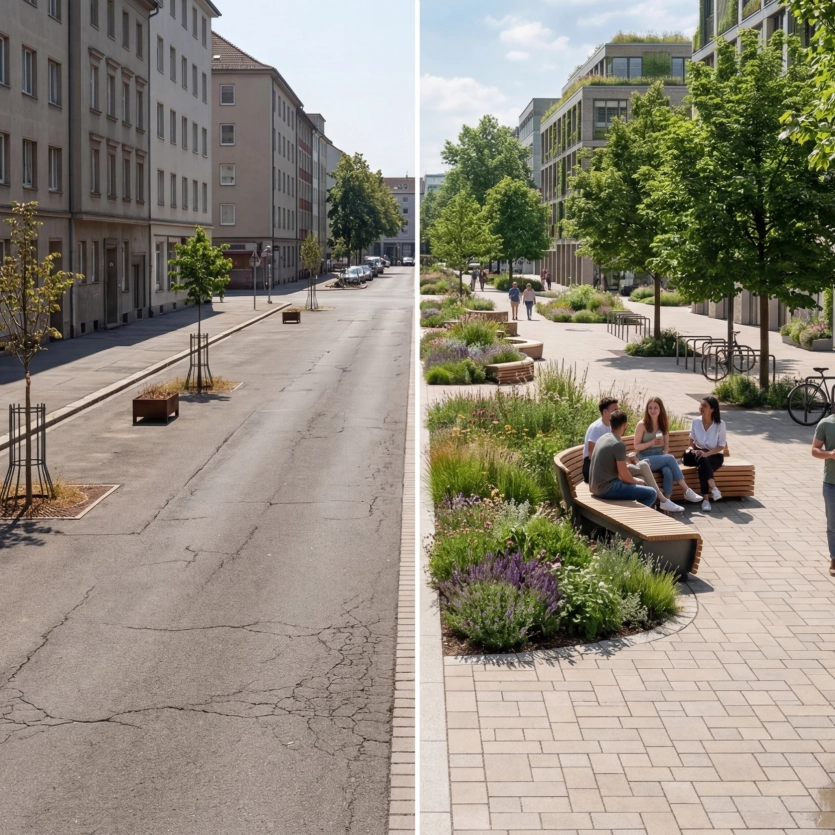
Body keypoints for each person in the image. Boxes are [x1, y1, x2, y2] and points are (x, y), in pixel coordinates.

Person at [634, 397, 702, 506]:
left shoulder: (663, 424)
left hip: (660, 458)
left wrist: (664, 455)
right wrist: (651, 442)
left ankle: (667, 503)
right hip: (645, 459)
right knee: (670, 458)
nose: (652, 410)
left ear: (660, 409)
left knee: (668, 470)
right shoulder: (642, 425)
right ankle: (686, 490)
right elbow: (636, 447)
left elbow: (666, 447)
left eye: (655, 408)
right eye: (650, 408)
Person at [589, 411, 658, 507]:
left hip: (594, 487)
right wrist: (636, 481)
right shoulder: (618, 444)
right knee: (651, 493)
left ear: (611, 423)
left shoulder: (603, 438)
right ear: (625, 425)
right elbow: (624, 476)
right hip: (606, 488)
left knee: (641, 480)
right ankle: (635, 518)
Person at [687, 396, 726, 511]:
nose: (701, 408)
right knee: (702, 459)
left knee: (702, 466)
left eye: (705, 406)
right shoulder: (695, 422)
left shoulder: (720, 424)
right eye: (701, 405)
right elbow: (690, 443)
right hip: (697, 453)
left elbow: (721, 446)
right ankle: (714, 489)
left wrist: (707, 454)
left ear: (712, 409)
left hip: (715, 455)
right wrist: (692, 450)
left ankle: (706, 500)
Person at [811, 412, 835, 576]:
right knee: (833, 525)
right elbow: (815, 450)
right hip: (832, 483)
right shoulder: (826, 424)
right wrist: (830, 454)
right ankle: (834, 558)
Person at [582, 397, 619, 484]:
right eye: (615, 410)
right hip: (592, 468)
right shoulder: (596, 428)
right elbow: (592, 455)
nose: (618, 413)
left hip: (603, 466)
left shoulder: (611, 425)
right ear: (605, 412)